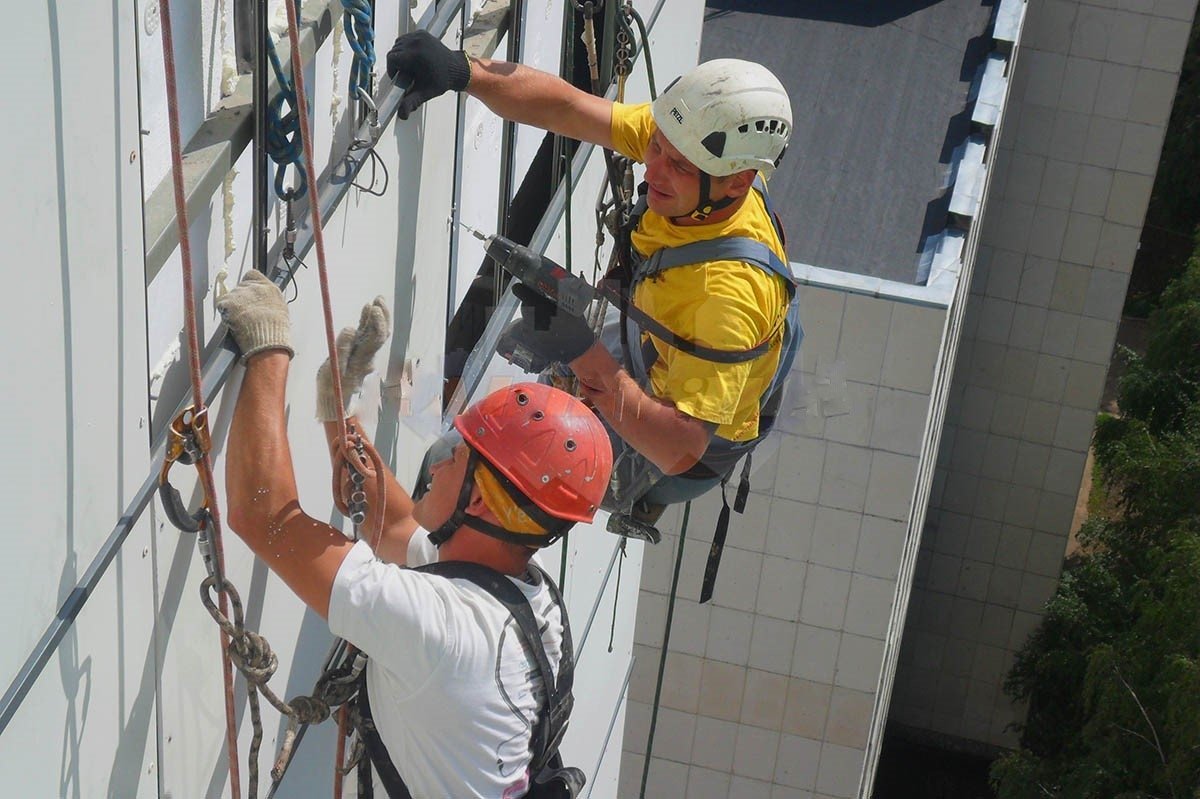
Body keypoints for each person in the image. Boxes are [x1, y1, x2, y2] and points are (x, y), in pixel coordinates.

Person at [216, 271, 613, 798]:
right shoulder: (516, 596)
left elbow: (262, 516)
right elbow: (396, 526)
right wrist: (338, 414)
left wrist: (267, 348)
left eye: (460, 454)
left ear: (479, 499)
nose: (441, 457)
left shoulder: (445, 630)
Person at [386, 32, 802, 520]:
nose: (653, 171)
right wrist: (462, 72)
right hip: (659, 349)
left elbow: (677, 449)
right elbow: (566, 109)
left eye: (678, 167)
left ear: (740, 181)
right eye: (656, 147)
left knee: (458, 470)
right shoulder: (692, 145)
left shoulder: (726, 299)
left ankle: (405, 544)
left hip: (669, 453)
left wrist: (581, 352)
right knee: (526, 358)